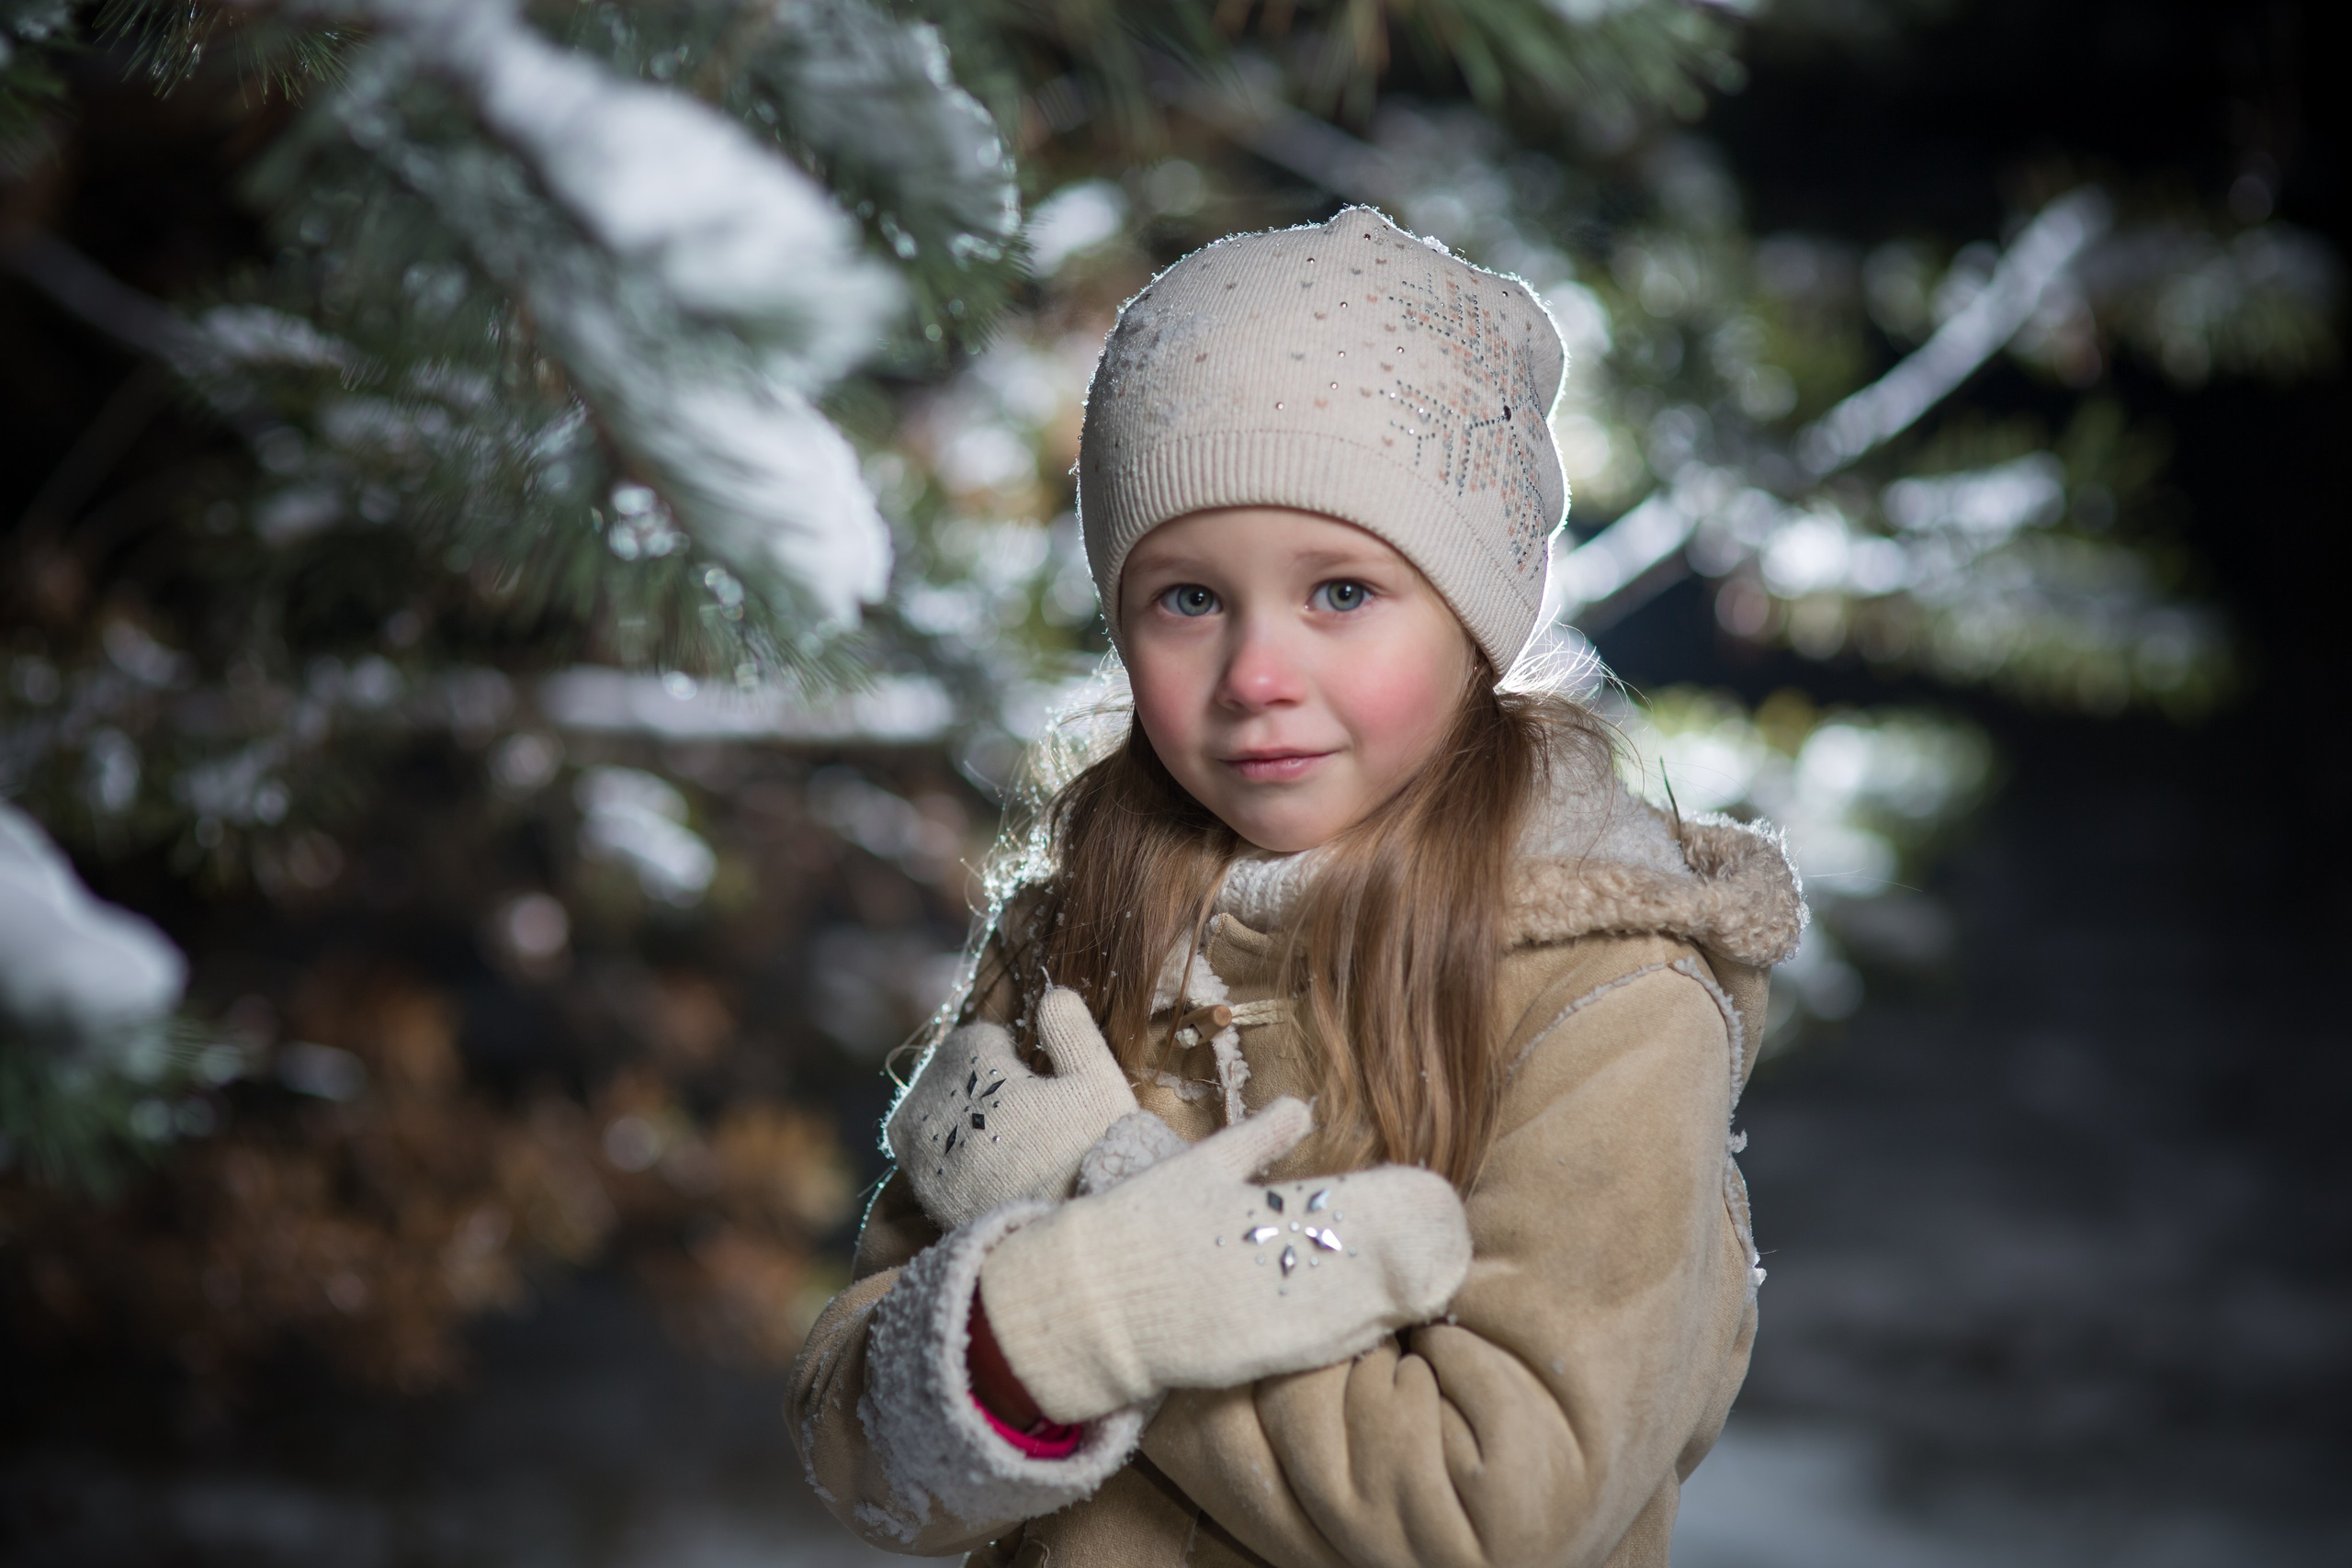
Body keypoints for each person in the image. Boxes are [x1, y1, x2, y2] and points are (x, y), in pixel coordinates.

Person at [790, 206, 1805, 1568]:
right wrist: (1010, 1342)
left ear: (1473, 613)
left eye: (1339, 591)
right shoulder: (1082, 929)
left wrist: (1109, 1260)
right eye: (1188, 601)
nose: (1259, 674)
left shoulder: (1607, 999)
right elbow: (856, 1448)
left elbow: (1489, 1511)